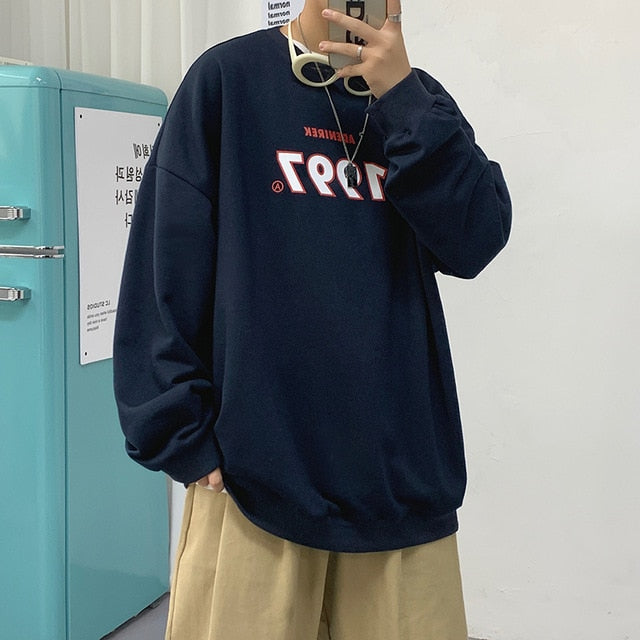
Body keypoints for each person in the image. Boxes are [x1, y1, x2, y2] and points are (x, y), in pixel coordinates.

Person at [113, 0, 511, 638]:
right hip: (249, 477)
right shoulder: (229, 81)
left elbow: (476, 239)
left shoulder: (417, 101)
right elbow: (166, 261)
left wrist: (402, 99)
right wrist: (177, 429)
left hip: (398, 481)